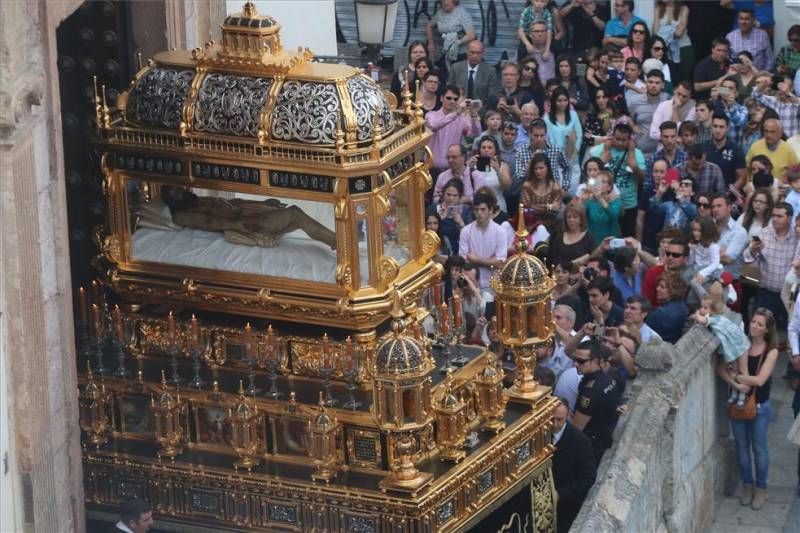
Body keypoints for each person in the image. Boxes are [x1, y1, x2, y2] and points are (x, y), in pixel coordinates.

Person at [718, 308, 780, 511]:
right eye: (753, 321)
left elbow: (760, 380)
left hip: (760, 406)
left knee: (759, 449)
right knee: (741, 448)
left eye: (760, 324)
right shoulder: (739, 343)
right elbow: (720, 368)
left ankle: (761, 488)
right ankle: (747, 485)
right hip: (738, 404)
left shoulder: (771, 351)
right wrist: (737, 384)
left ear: (767, 330)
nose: (754, 326)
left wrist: (738, 377)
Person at [160, 187, 337, 250]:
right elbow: (212, 223)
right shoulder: (181, 216)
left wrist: (264, 203)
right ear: (172, 201)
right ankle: (336, 242)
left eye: (179, 189)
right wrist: (241, 227)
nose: (181, 192)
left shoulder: (198, 200)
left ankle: (335, 242)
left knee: (296, 215)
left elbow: (235, 201)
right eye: (175, 193)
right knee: (294, 215)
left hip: (248, 215)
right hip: (249, 223)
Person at [743, 203, 799, 331]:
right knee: (761, 331)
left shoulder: (797, 236)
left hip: (790, 295)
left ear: (789, 218)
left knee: (789, 331)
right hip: (766, 294)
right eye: (773, 215)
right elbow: (746, 257)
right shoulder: (764, 234)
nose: (775, 219)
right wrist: (753, 250)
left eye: (779, 216)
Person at [589, 123, 646, 237]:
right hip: (603, 203)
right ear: (612, 136)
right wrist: (602, 161)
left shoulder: (636, 153)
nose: (620, 142)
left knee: (626, 239)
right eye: (617, 138)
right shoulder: (601, 149)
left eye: (624, 140)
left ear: (629, 140)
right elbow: (590, 174)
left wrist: (634, 167)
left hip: (628, 205)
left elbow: (643, 178)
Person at [551, 397, 597, 533]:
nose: (554, 424)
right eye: (551, 419)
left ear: (568, 416)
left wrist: (560, 494)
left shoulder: (580, 442)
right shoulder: (540, 434)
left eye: (559, 419)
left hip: (566, 506)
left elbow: (588, 477)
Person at [572, 339, 620, 462]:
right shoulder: (607, 378)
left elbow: (577, 429)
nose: (576, 364)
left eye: (581, 361)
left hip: (590, 446)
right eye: (575, 360)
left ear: (596, 361)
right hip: (604, 435)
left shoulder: (590, 391)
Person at [459, 190, 508, 302]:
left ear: (490, 210)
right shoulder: (466, 231)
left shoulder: (500, 231)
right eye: (476, 210)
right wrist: (490, 261)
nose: (479, 213)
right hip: (471, 284)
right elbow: (464, 261)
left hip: (493, 284)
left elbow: (500, 262)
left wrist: (477, 260)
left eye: (483, 209)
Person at [426, 86, 482, 177]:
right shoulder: (431, 115)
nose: (452, 101)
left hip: (452, 171)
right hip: (430, 170)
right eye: (448, 98)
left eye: (455, 99)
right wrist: (456, 113)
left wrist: (474, 114)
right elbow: (433, 126)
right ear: (441, 98)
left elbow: (476, 134)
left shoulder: (462, 119)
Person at [514, 119, 573, 196]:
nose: (539, 139)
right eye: (536, 136)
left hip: (552, 194)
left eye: (542, 135)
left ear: (546, 134)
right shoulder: (521, 151)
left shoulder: (555, 150)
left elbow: (568, 168)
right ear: (530, 134)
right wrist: (531, 161)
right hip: (530, 195)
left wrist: (565, 187)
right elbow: (518, 177)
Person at [544, 87, 583, 193]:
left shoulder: (573, 115)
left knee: (573, 192)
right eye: (559, 101)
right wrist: (559, 155)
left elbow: (579, 135)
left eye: (565, 100)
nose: (563, 103)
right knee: (558, 192)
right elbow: (548, 139)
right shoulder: (547, 118)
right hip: (556, 160)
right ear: (554, 101)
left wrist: (574, 152)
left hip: (573, 158)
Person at [628, 69, 669, 155]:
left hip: (663, 152)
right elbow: (628, 118)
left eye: (657, 83)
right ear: (646, 83)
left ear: (663, 85)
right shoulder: (635, 101)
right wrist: (633, 126)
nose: (653, 85)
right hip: (640, 152)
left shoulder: (668, 100)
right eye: (650, 82)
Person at [426, 0, 475, 71]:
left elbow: (471, 35)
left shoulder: (462, 13)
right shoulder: (440, 14)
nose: (445, 2)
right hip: (446, 52)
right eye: (443, 0)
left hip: (461, 54)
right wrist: (431, 43)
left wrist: (457, 42)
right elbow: (429, 26)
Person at [642, 236, 691, 307]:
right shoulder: (653, 272)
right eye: (668, 254)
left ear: (685, 259)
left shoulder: (689, 276)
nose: (670, 257)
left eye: (675, 255)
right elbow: (646, 303)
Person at [521, 152, 563, 232]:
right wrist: (549, 207)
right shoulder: (527, 186)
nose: (538, 171)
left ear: (548, 168)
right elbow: (526, 209)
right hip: (530, 227)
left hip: (550, 227)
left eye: (541, 168)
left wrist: (534, 206)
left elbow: (555, 210)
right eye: (535, 169)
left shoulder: (555, 187)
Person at [652, 0, 692, 84]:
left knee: (683, 80)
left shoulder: (684, 9)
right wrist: (672, 31)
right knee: (669, 78)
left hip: (683, 47)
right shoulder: (659, 8)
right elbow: (655, 32)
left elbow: (679, 33)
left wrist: (664, 31)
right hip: (664, 48)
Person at [469, 136, 512, 214]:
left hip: (498, 207)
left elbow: (507, 187)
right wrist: (469, 168)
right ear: (479, 150)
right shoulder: (473, 165)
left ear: (495, 151)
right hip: (478, 209)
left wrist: (498, 171)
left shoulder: (502, 165)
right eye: (483, 147)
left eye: (490, 148)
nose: (486, 150)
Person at [751, 74, 800, 139]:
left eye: (784, 86)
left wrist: (787, 93)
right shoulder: (773, 100)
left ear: (791, 88)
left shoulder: (796, 101)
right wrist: (764, 84)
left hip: (792, 143)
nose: (781, 89)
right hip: (775, 143)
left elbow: (797, 103)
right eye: (779, 86)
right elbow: (755, 95)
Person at [711, 193, 748, 280]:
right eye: (713, 207)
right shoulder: (708, 226)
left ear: (729, 208)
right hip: (706, 278)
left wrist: (704, 252)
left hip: (728, 282)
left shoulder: (739, 231)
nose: (715, 209)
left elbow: (727, 259)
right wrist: (719, 252)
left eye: (719, 206)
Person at [725, 8, 774, 72]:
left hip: (758, 75)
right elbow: (726, 59)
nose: (743, 22)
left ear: (753, 20)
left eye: (747, 19)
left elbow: (769, 60)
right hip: (736, 76)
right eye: (741, 19)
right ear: (738, 20)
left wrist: (762, 74)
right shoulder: (730, 36)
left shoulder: (762, 35)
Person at [645, 271, 688, 342]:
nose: (657, 289)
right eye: (658, 285)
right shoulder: (682, 305)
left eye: (662, 287)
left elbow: (644, 335)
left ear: (673, 290)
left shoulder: (660, 313)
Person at [644, 120, 687, 191]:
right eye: (666, 137)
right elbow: (647, 186)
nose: (669, 140)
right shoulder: (653, 159)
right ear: (660, 137)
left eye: (672, 136)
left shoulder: (685, 158)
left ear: (677, 137)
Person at [436, 178, 473, 255]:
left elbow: (472, 238)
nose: (451, 198)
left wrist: (461, 224)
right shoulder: (434, 209)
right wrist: (439, 219)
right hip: (441, 251)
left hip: (461, 253)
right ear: (443, 194)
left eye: (455, 195)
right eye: (448, 194)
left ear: (460, 197)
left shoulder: (466, 211)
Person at [584, 170, 622, 242]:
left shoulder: (615, 200)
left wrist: (600, 199)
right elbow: (579, 215)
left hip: (611, 243)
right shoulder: (589, 201)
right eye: (597, 181)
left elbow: (614, 215)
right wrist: (583, 199)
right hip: (593, 243)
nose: (599, 184)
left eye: (603, 181)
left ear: (609, 187)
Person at [710, 81, 748, 149]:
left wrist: (732, 107)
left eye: (730, 88)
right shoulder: (713, 105)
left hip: (734, 151)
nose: (726, 91)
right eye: (724, 88)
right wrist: (713, 102)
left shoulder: (742, 109)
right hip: (714, 148)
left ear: (736, 93)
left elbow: (739, 122)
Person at [693, 37, 732, 101]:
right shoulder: (703, 65)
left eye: (724, 51)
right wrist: (718, 81)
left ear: (727, 52)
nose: (721, 53)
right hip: (706, 102)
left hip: (725, 100)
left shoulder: (729, 64)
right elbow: (697, 87)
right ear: (712, 49)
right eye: (719, 50)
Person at [687, 215, 722, 285]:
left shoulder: (713, 246)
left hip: (711, 270)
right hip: (697, 268)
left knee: (695, 283)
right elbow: (691, 262)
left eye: (699, 231)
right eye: (694, 230)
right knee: (684, 276)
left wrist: (702, 273)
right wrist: (691, 251)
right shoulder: (696, 244)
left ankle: (704, 296)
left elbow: (715, 263)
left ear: (707, 231)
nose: (696, 233)